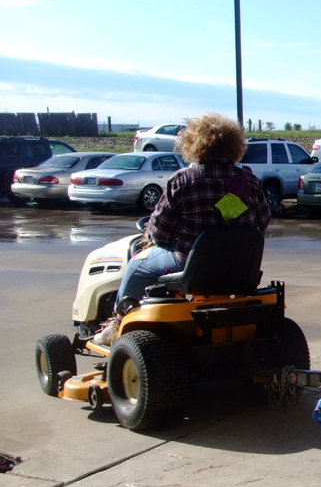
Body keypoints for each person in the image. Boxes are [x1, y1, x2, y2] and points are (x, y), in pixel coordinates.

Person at [96, 113, 271, 344]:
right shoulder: (249, 181)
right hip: (239, 266)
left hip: (189, 264)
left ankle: (117, 323)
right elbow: (262, 222)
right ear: (234, 146)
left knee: (136, 265)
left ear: (193, 144)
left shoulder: (183, 180)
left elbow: (160, 232)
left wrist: (153, 236)